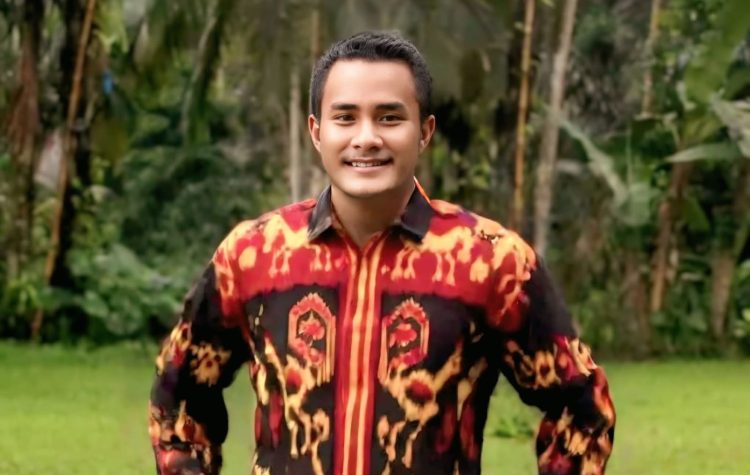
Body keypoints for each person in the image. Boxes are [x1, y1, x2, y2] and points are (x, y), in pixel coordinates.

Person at [148, 31, 616, 475]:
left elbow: (583, 407)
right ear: (316, 131)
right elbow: (177, 393)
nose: (366, 137)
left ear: (425, 131)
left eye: (389, 118)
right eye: (345, 117)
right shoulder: (253, 255)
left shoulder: (490, 261)